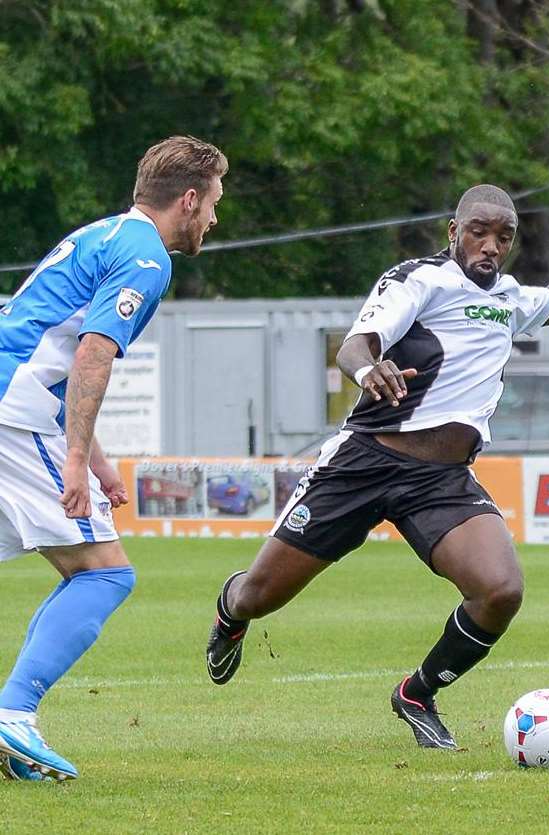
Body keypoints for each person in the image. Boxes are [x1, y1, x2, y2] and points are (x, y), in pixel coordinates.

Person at [205, 178, 549, 750]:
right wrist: (365, 369)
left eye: (504, 237)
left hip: (440, 481)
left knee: (500, 590)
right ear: (454, 232)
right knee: (262, 596)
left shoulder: (508, 299)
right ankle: (231, 611)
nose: (490, 246)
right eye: (478, 232)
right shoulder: (420, 279)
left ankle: (418, 692)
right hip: (364, 463)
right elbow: (358, 343)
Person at [0, 136, 227, 780]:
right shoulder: (146, 257)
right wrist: (73, 458)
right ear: (188, 199)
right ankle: (13, 716)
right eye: (212, 202)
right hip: (17, 416)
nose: (214, 218)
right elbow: (91, 352)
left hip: (11, 399)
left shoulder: (100, 235)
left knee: (89, 570)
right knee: (104, 574)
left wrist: (94, 457)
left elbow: (51, 335)